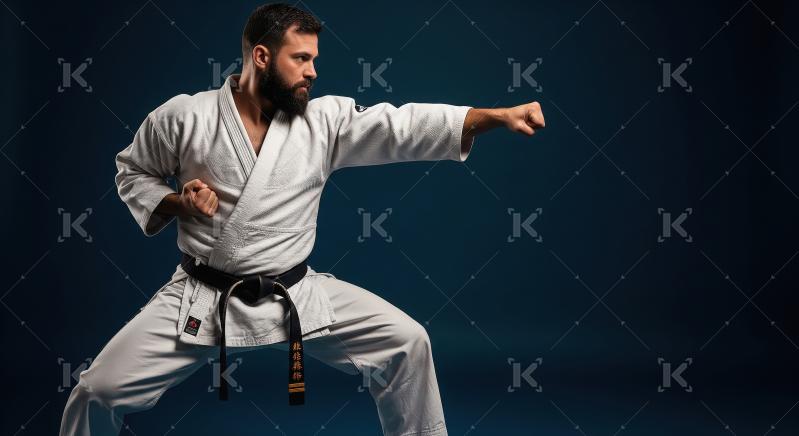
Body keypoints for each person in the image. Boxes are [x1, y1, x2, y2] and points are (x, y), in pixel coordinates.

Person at [59, 3, 545, 435]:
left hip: (294, 292)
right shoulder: (185, 117)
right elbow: (133, 172)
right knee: (95, 392)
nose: (313, 71)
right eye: (302, 59)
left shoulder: (323, 121)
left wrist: (495, 116)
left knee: (408, 342)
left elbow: (402, 125)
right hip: (203, 296)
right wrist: (177, 203)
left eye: (314, 59)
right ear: (262, 57)